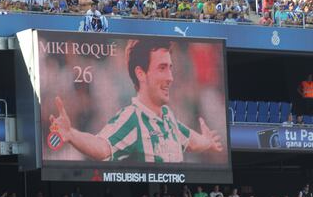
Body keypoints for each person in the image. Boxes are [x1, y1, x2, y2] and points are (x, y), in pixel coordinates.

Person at [49, 40, 223, 162]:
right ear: (141, 74)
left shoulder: (167, 117)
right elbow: (102, 147)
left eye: (170, 68)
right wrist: (71, 134)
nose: (170, 77)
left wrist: (207, 141)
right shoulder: (133, 118)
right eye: (162, 68)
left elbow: (189, 140)